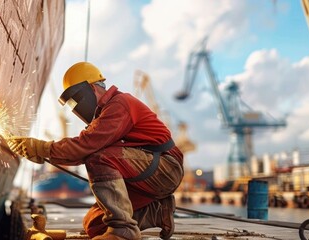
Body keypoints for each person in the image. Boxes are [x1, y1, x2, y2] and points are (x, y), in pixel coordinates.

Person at [10, 62, 184, 240]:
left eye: (74, 99)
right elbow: (82, 152)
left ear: (90, 89)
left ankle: (124, 230)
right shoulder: (104, 113)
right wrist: (42, 153)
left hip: (165, 168)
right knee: (94, 225)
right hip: (143, 174)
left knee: (99, 157)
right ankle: (157, 212)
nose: (75, 106)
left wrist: (42, 148)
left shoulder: (119, 104)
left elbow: (86, 146)